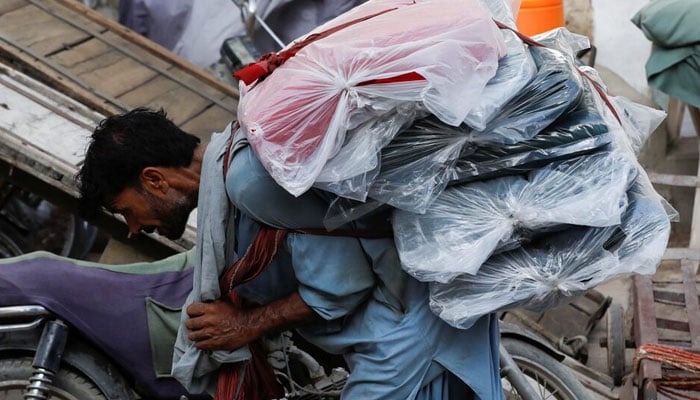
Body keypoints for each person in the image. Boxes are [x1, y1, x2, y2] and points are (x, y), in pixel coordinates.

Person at [76, 108, 503, 399]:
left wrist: (244, 324)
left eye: (124, 211)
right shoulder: (232, 161)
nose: (132, 228)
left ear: (154, 181)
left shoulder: (246, 181)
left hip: (407, 328)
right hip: (401, 316)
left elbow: (339, 287)